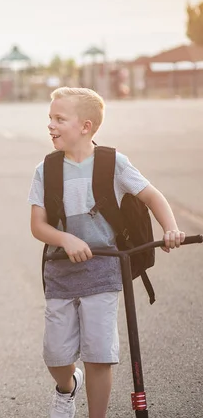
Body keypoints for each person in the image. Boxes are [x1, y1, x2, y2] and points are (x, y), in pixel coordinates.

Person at [28, 87, 185, 418]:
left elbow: (153, 197)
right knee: (56, 356)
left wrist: (170, 228)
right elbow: (38, 226)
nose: (51, 125)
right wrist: (65, 239)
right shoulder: (47, 170)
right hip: (60, 271)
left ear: (85, 126)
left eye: (59, 119)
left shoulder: (114, 163)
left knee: (99, 354)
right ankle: (67, 387)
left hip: (103, 271)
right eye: (50, 119)